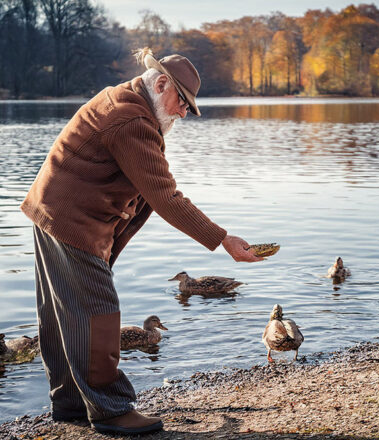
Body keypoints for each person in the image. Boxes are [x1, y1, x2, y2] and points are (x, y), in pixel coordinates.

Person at [20, 48, 262, 435]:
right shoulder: (130, 119)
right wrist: (223, 240)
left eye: (188, 107)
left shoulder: (127, 102)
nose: (184, 112)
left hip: (52, 211)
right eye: (182, 102)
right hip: (72, 219)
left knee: (63, 314)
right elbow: (165, 196)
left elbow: (145, 192)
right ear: (161, 82)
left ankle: (70, 405)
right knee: (98, 312)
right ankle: (111, 411)